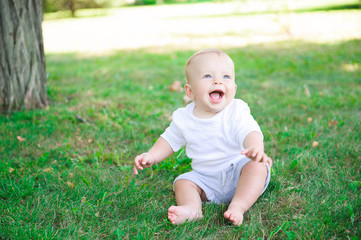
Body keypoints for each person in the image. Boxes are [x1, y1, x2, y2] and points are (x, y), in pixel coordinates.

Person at [133, 49, 272, 226]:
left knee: (258, 167)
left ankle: (238, 206)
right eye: (208, 76)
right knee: (183, 182)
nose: (218, 81)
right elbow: (169, 140)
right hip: (205, 178)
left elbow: (250, 130)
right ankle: (192, 208)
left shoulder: (236, 111)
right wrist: (152, 155)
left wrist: (255, 148)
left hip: (238, 171)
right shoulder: (184, 118)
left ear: (234, 89)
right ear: (190, 91)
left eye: (226, 77)